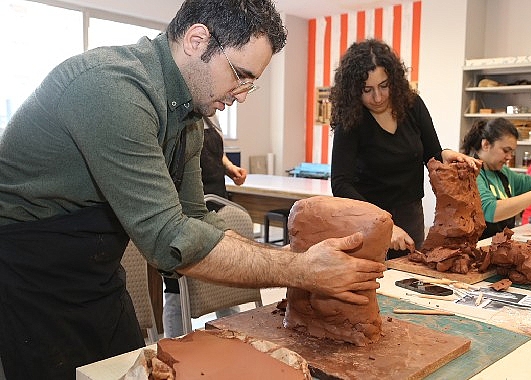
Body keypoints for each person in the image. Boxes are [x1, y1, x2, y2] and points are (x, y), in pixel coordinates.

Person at [0, 1, 386, 379]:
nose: (242, 94)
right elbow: (169, 238)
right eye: (240, 74)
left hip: (94, 273)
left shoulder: (189, 117)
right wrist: (299, 269)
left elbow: (196, 222)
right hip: (27, 276)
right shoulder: (110, 87)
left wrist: (284, 257)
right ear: (197, 40)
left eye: (252, 82)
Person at [330, 39, 480, 260]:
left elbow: (432, 153)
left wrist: (447, 155)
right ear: (354, 90)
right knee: (371, 282)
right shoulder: (351, 121)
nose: (378, 97)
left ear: (394, 80)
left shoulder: (412, 105)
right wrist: (381, 222)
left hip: (410, 215)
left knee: (408, 280)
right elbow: (340, 184)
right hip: (366, 218)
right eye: (367, 90)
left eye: (384, 86)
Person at [162, 113, 248, 338]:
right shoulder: (170, 113)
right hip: (183, 212)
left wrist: (230, 168)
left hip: (217, 205)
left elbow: (215, 153)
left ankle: (234, 338)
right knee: (176, 288)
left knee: (226, 282)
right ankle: (175, 344)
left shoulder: (212, 115)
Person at [461, 118, 531, 239]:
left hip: (499, 246)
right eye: (506, 151)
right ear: (486, 144)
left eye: (512, 152)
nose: (509, 157)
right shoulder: (470, 172)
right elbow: (490, 210)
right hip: (476, 248)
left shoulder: (504, 173)